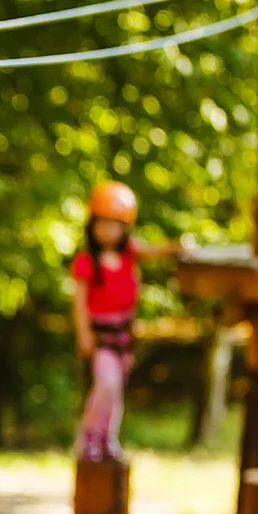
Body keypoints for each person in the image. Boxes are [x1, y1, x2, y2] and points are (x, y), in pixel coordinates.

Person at [71, 180, 185, 461]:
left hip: (124, 335)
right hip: (101, 335)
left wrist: (177, 247)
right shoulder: (87, 262)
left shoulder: (129, 254)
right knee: (106, 384)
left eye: (114, 225)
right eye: (102, 224)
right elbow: (79, 302)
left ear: (124, 228)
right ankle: (89, 436)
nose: (107, 231)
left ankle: (108, 437)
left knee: (116, 391)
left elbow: (155, 252)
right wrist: (83, 334)